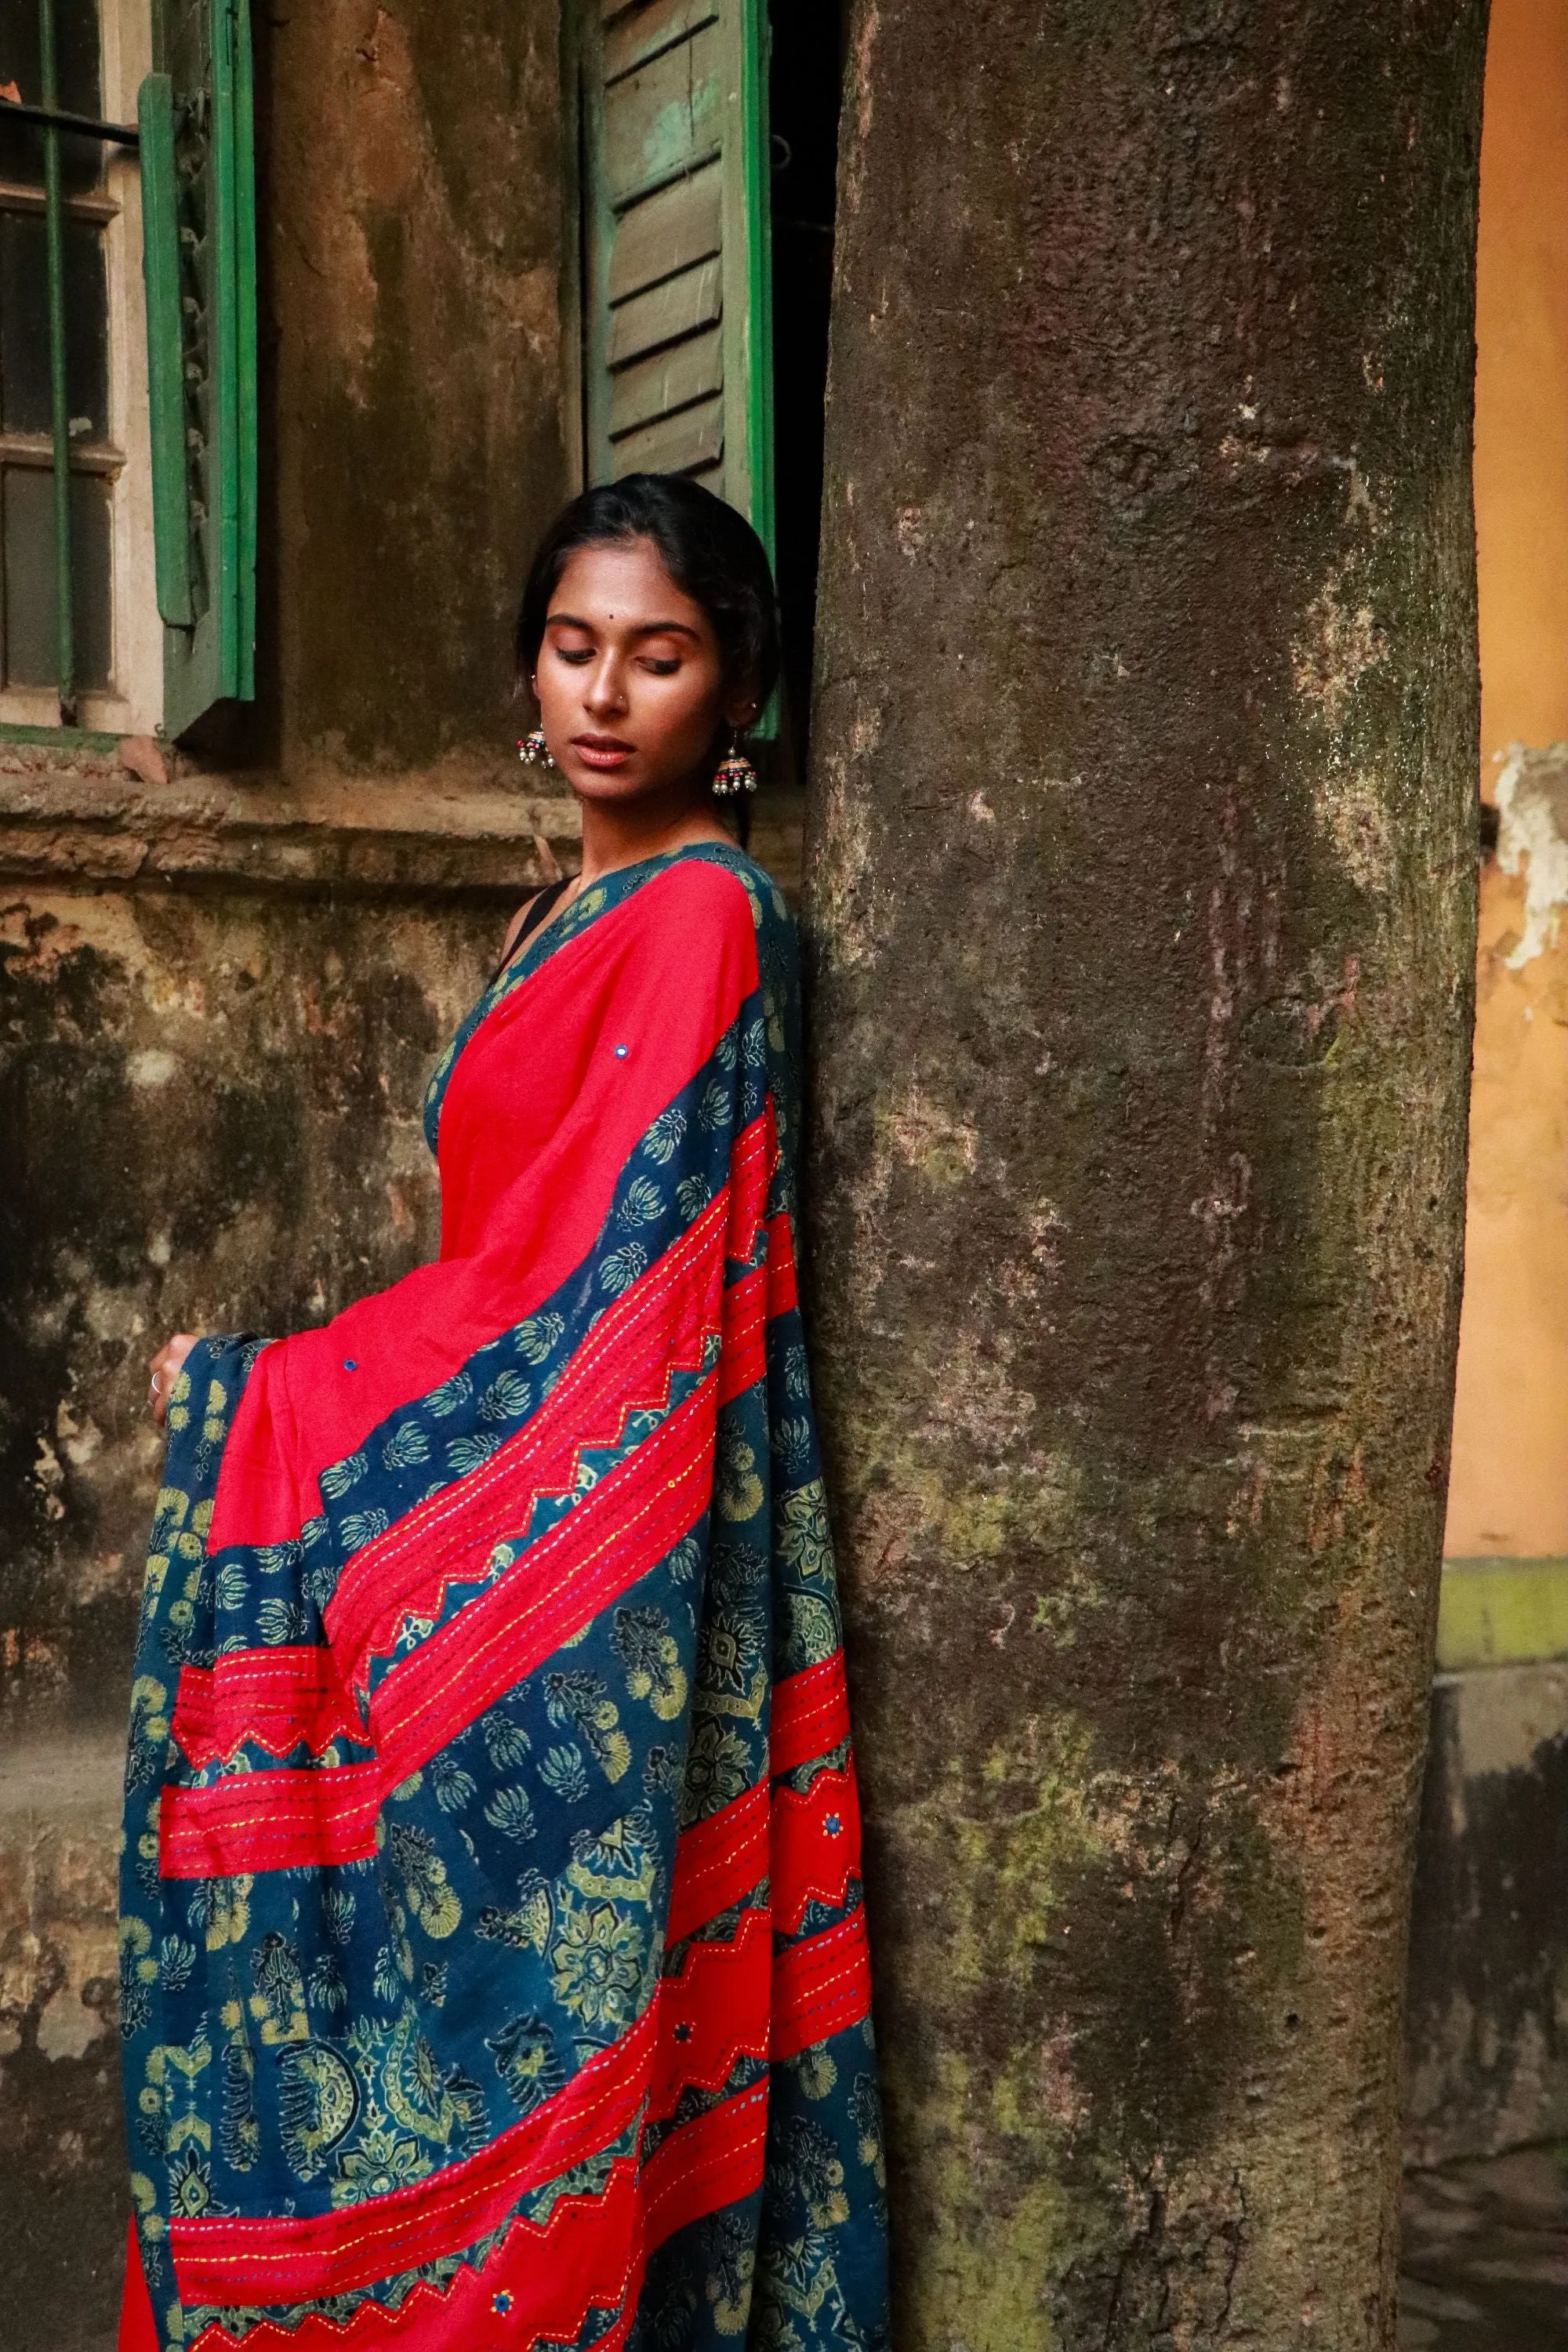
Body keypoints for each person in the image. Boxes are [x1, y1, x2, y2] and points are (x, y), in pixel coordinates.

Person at [120, 475, 891, 2352]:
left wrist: (271, 1392)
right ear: (527, 671)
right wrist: (280, 1376)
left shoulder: (704, 916)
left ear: (735, 698)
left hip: (591, 1557)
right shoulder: (572, 910)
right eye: (574, 648)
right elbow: (503, 1266)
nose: (606, 694)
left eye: (661, 655)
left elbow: (591, 1302)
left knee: (535, 2055)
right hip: (504, 1519)